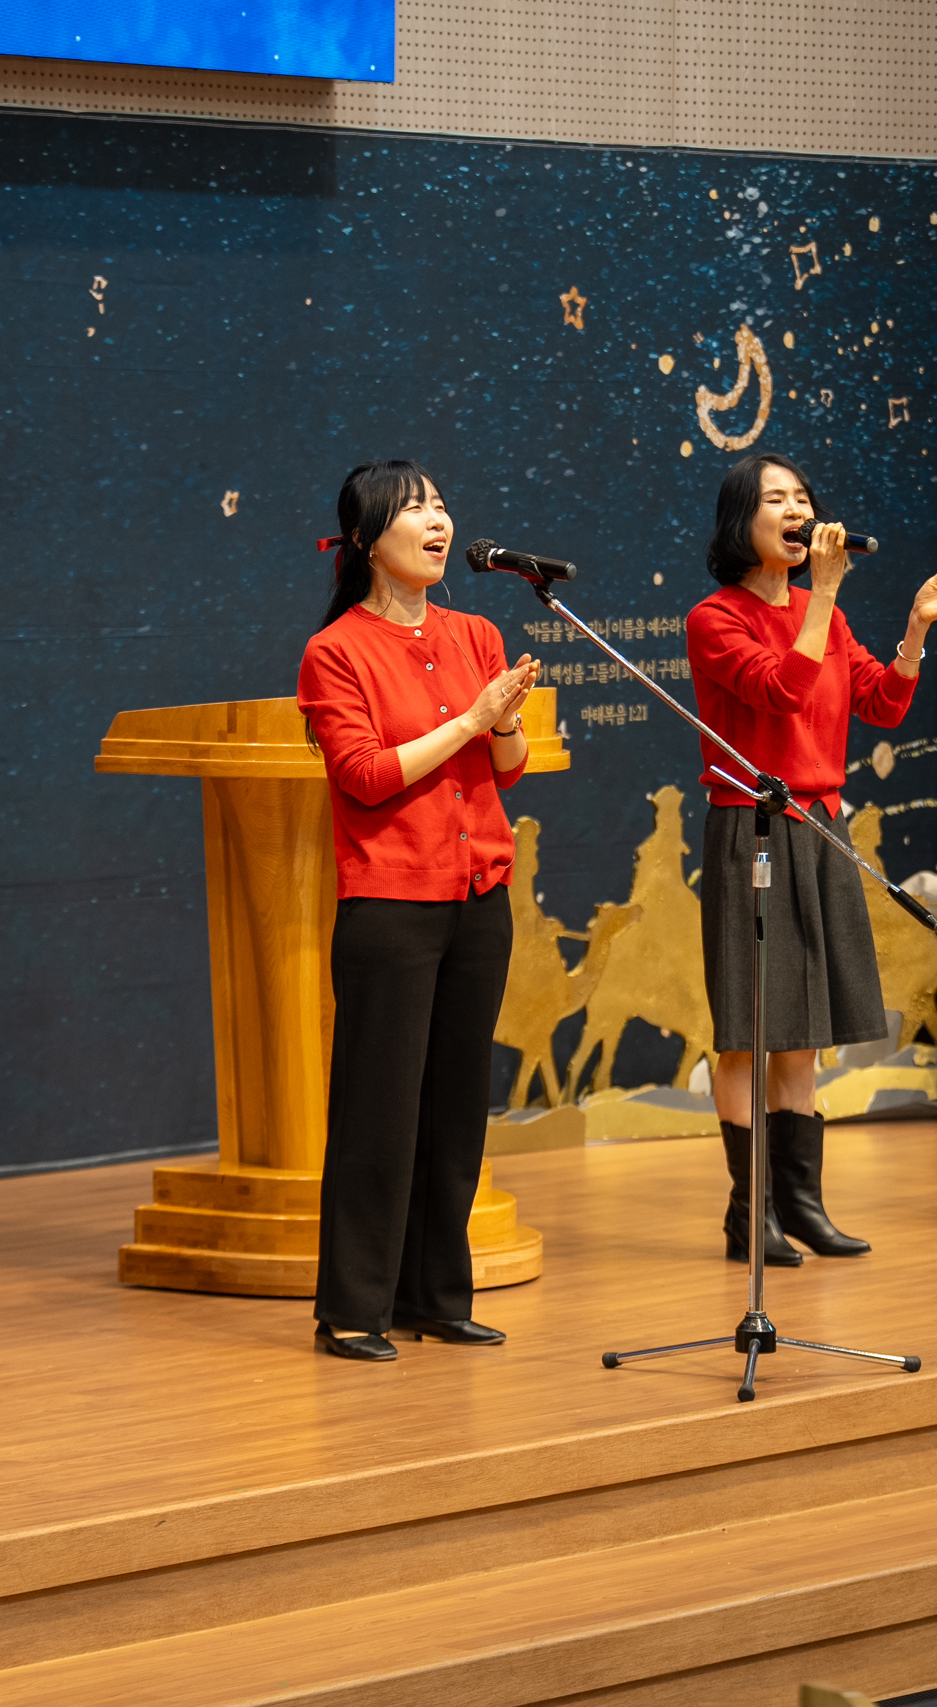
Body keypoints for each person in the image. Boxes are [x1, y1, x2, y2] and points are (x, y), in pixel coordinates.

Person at [685, 454, 937, 1264]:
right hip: (753, 826)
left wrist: (916, 630)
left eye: (803, 497)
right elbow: (781, 690)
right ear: (741, 520)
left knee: (801, 1036)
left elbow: (882, 703)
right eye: (776, 499)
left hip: (820, 826)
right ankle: (749, 1212)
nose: (797, 510)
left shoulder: (827, 614)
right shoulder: (715, 618)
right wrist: (821, 595)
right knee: (750, 1031)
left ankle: (802, 1205)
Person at [295, 461, 539, 1362]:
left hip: (478, 896)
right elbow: (364, 776)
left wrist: (502, 720)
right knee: (380, 1112)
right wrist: (473, 719)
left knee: (456, 1109)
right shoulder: (335, 651)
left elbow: (508, 766)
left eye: (440, 505)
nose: (437, 522)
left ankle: (437, 1296)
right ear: (366, 540)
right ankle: (353, 1307)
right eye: (414, 509)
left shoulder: (477, 632)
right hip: (391, 902)